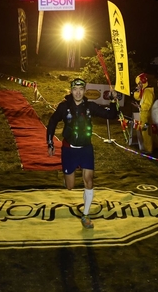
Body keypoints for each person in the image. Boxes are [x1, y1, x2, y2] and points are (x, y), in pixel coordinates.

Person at [46, 78, 119, 229]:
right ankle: (67, 176)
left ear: (84, 91)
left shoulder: (90, 106)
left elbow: (111, 115)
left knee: (89, 180)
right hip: (69, 149)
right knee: (70, 186)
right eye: (75, 89)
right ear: (71, 91)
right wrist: (50, 143)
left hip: (86, 148)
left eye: (81, 89)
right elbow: (52, 122)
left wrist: (113, 100)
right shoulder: (64, 106)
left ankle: (85, 215)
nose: (78, 93)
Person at [132, 73, 156, 153]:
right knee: (149, 131)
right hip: (144, 114)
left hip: (146, 115)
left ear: (143, 82)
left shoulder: (147, 91)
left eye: (139, 83)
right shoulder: (144, 90)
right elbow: (137, 97)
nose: (138, 85)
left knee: (146, 132)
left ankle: (148, 149)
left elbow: (148, 105)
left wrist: (139, 106)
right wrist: (138, 90)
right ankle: (156, 146)